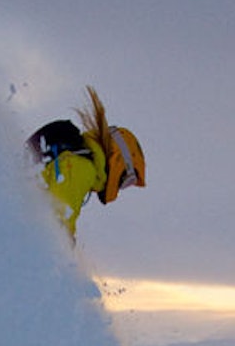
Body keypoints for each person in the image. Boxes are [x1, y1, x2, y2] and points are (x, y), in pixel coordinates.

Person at [26, 86, 146, 238]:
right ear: (118, 162)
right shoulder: (83, 166)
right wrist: (64, 251)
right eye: (127, 182)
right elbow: (57, 223)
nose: (120, 189)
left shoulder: (77, 157)